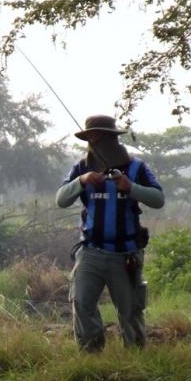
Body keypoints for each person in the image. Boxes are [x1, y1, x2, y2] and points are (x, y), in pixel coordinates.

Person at [56, 115, 165, 350]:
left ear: (112, 138)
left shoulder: (136, 168)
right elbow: (61, 200)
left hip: (126, 254)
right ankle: (91, 355)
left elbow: (158, 199)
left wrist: (130, 187)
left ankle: (135, 357)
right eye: (91, 137)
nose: (95, 141)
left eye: (100, 136)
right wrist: (81, 181)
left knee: (130, 311)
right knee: (81, 302)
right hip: (90, 251)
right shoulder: (81, 168)